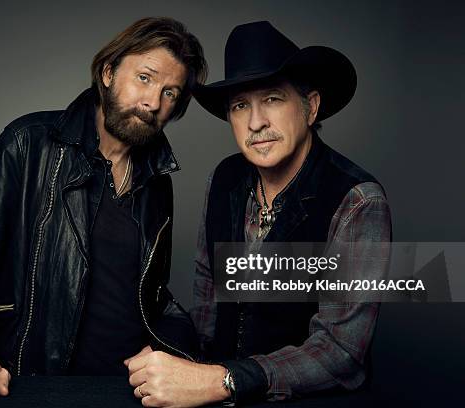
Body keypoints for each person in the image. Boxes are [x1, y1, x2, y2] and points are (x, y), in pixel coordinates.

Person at [0, 17, 207, 401]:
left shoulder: (158, 181)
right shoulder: (28, 143)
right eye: (145, 78)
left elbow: (153, 294)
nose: (152, 103)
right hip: (35, 382)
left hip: (127, 391)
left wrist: (171, 348)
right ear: (108, 72)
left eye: (171, 93)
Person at [126, 21, 391, 406]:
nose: (255, 123)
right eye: (240, 106)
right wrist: (173, 355)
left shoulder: (357, 201)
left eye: (272, 99)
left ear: (311, 106)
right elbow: (207, 307)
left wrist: (224, 379)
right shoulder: (225, 179)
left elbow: (341, 351)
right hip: (221, 397)